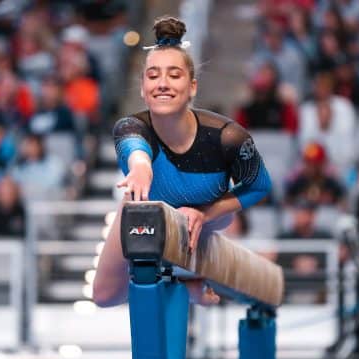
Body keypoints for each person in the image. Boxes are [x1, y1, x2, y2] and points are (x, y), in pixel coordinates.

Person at [93, 16, 272, 307]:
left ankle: (194, 275)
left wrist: (206, 213)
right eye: (153, 76)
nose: (162, 84)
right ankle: (186, 289)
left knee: (215, 243)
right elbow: (135, 150)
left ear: (192, 87)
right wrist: (140, 167)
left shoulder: (226, 137)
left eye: (174, 75)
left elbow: (259, 185)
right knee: (103, 295)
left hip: (208, 215)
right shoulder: (130, 127)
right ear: (142, 87)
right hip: (148, 210)